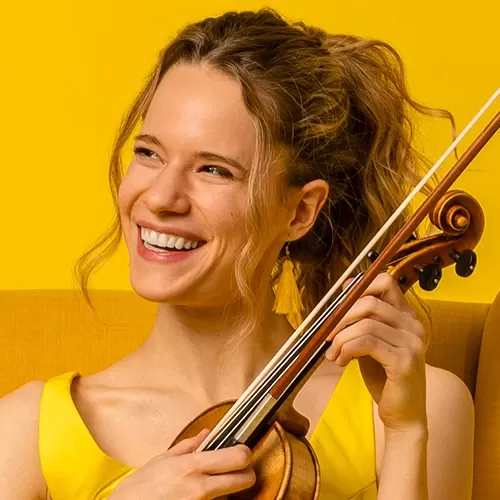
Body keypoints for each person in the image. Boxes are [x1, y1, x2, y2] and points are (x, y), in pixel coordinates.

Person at [0, 8, 474, 500]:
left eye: (214, 170)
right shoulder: (25, 434)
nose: (161, 197)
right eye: (149, 153)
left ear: (300, 211)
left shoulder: (411, 409)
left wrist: (405, 433)